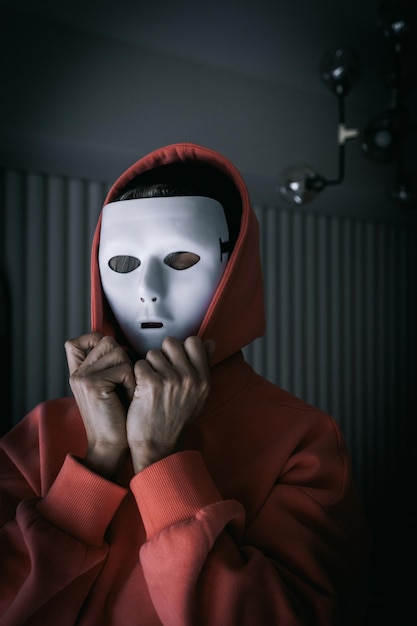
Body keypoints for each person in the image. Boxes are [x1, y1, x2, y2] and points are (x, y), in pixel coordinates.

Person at [0, 142, 370, 625]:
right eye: (123, 263)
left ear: (232, 272)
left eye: (179, 259)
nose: (148, 288)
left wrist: (160, 463)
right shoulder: (38, 435)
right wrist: (99, 457)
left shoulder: (305, 443)